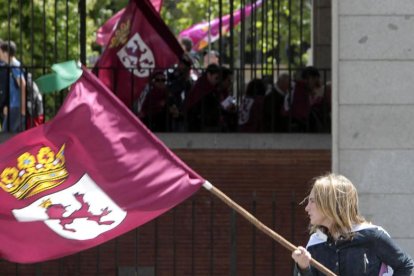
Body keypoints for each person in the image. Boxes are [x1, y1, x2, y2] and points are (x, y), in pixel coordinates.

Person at [292, 173, 414, 276]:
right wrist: (303, 268)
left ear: (330, 203)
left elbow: (405, 265)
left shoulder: (371, 235)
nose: (307, 208)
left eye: (312, 201)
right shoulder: (315, 243)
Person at [0, 40, 26, 132]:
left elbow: (22, 85)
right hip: (13, 105)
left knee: (5, 136)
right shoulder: (11, 65)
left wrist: (23, 107)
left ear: (6, 53)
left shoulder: (14, 65)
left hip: (16, 106)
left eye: (0, 51)